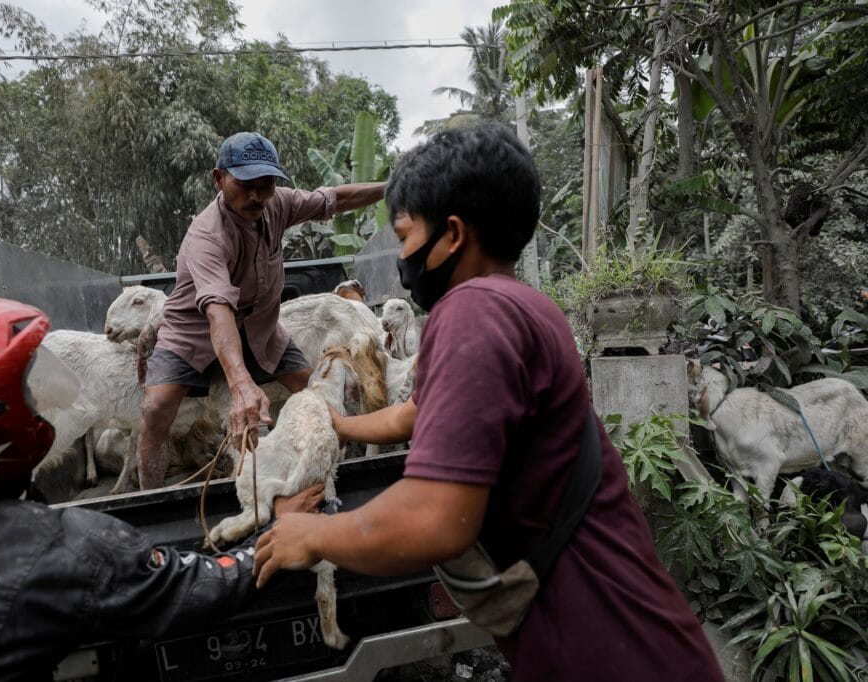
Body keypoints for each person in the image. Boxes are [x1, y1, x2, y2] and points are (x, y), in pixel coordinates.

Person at [252, 124, 725, 681]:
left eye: (405, 236)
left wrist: (313, 535)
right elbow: (417, 413)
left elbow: (436, 518)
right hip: (633, 642)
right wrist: (340, 425)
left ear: (452, 234)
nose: (402, 256)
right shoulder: (522, 305)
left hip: (611, 649)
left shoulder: (470, 311)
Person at [0, 296, 323, 681]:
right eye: (19, 400)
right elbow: (198, 587)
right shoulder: (60, 548)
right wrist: (279, 531)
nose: (35, 410)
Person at [138, 131, 385, 489]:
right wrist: (241, 386)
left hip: (261, 330)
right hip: (193, 332)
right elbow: (218, 311)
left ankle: (327, 482)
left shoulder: (278, 203)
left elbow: (333, 198)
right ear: (218, 179)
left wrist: (391, 187)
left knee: (320, 392)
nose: (256, 195)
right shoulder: (206, 235)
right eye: (245, 184)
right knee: (155, 410)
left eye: (265, 184)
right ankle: (150, 502)